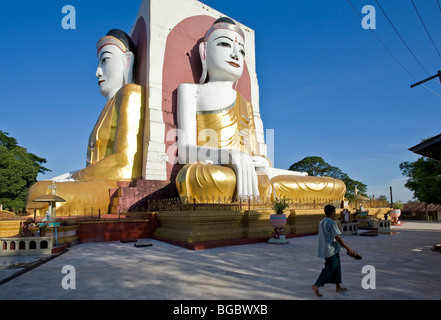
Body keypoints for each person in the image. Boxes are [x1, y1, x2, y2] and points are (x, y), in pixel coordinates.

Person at [175, 17, 346, 203]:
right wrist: (230, 156)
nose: (235, 54)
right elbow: (184, 151)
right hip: (219, 171)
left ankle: (264, 192)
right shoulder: (192, 91)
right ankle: (265, 194)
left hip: (253, 173)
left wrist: (264, 161)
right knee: (200, 177)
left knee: (335, 185)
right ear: (204, 51)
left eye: (241, 51)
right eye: (224, 44)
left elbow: (253, 153)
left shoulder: (246, 104)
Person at [26, 29, 145, 215]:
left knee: (43, 193)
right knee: (42, 190)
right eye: (99, 63)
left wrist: (75, 176)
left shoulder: (129, 93)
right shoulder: (109, 105)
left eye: (105, 61)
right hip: (96, 181)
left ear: (127, 62)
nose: (98, 72)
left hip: (115, 184)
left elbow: (125, 162)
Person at [312, 204, 357, 297]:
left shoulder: (322, 222)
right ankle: (317, 285)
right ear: (332, 212)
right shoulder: (331, 223)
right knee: (331, 267)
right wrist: (348, 248)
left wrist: (340, 219)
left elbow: (333, 224)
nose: (335, 213)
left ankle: (338, 286)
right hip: (330, 249)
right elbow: (337, 237)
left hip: (327, 249)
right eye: (334, 212)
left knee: (337, 267)